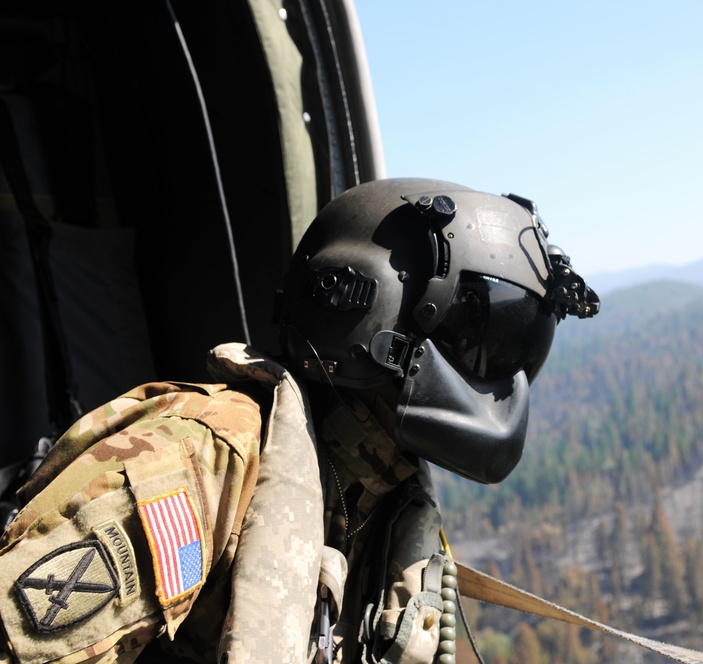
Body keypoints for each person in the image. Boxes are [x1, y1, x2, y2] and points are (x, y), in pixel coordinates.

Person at [0, 178, 599, 663]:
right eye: (476, 342)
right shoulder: (199, 462)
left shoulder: (378, 495)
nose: (495, 377)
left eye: (516, 351)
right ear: (365, 304)